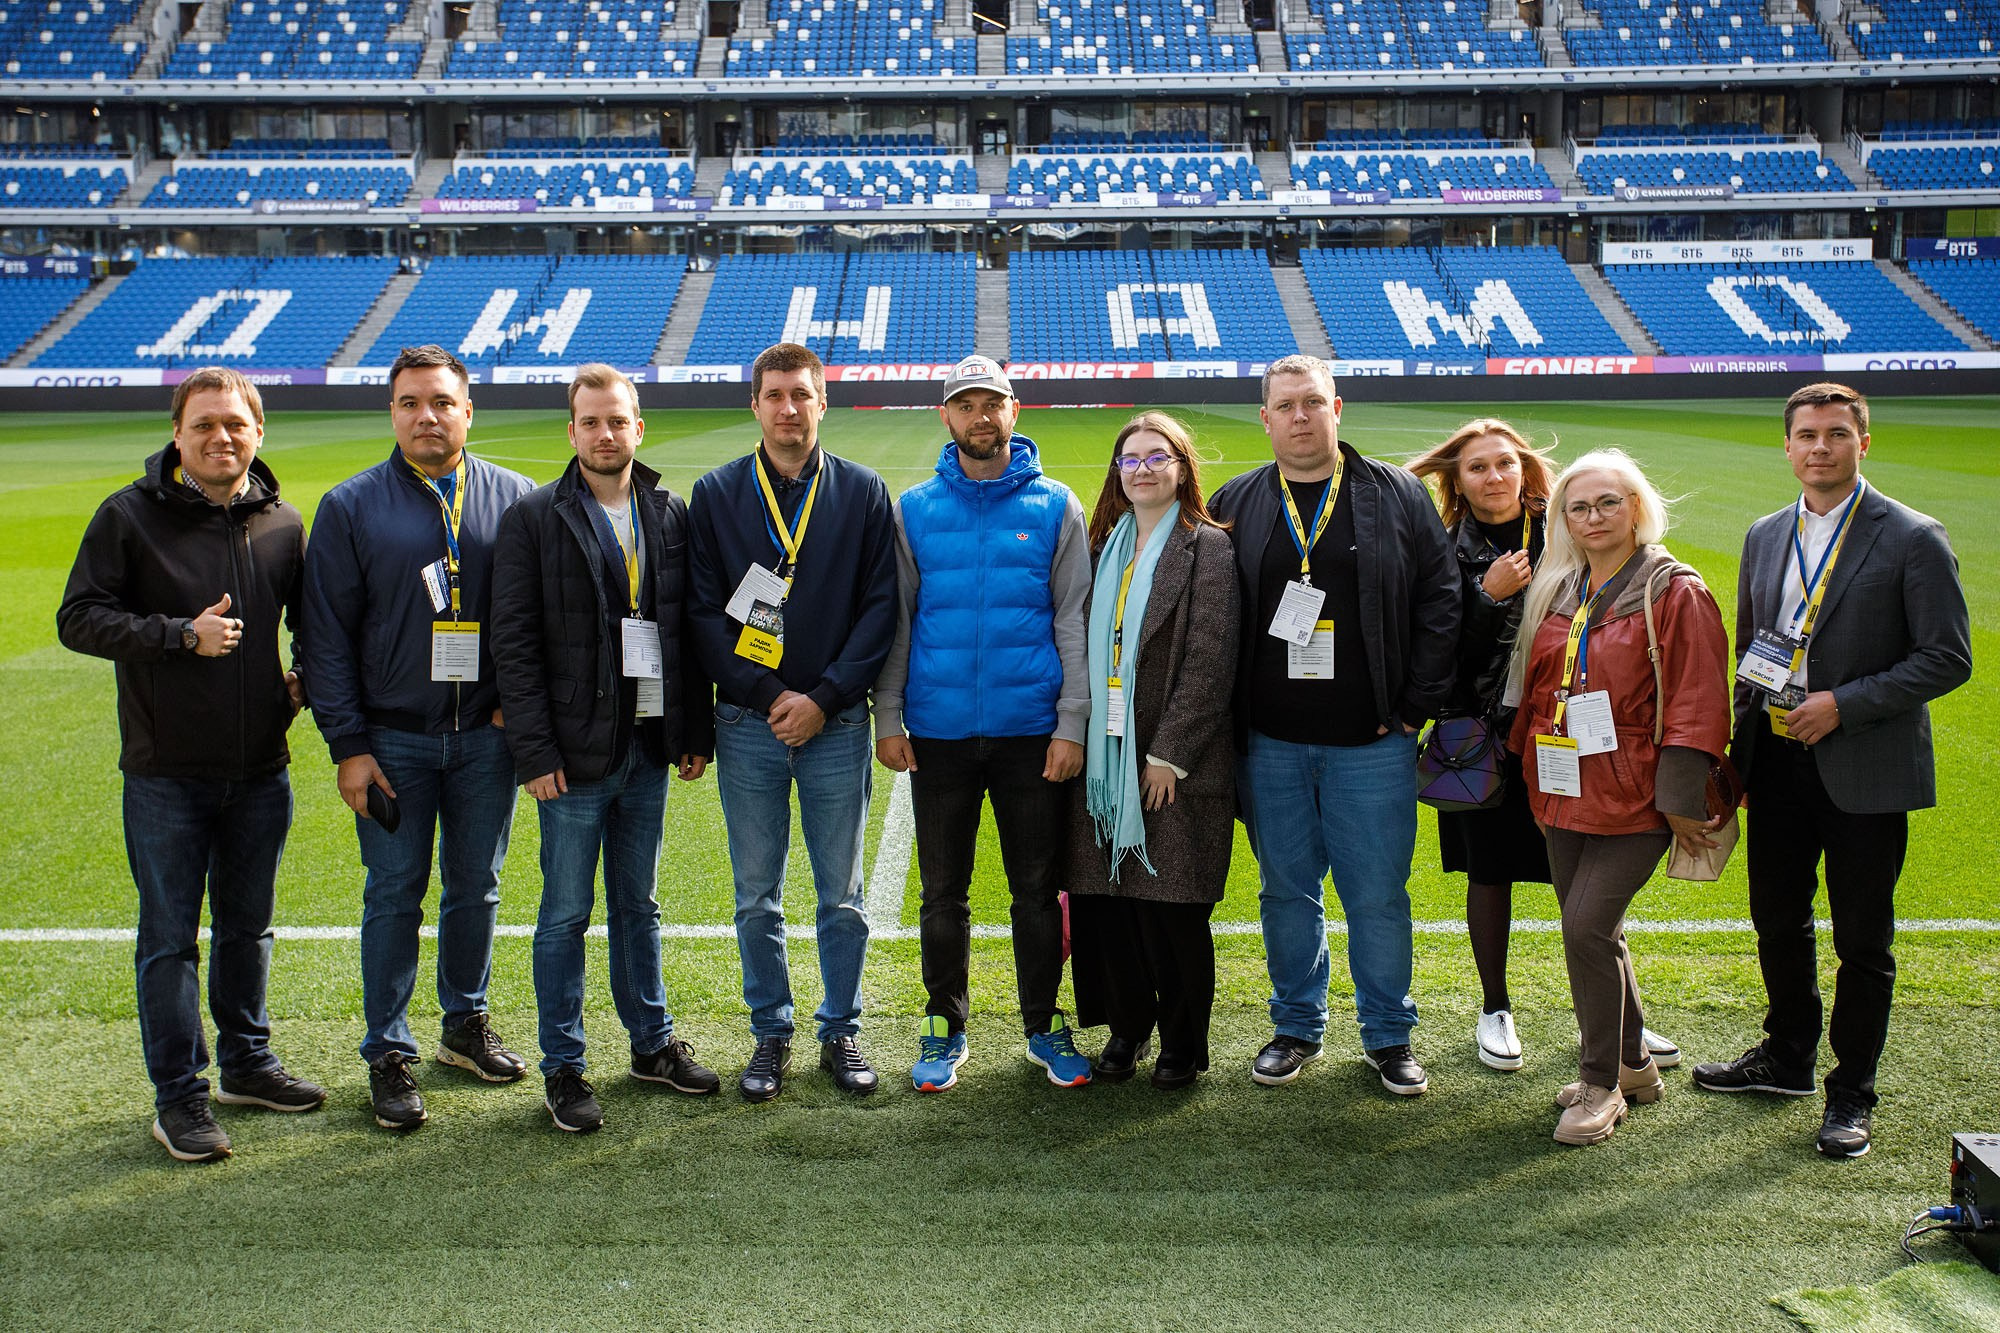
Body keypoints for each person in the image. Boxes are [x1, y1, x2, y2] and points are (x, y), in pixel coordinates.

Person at [1693, 383, 1970, 1159]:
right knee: (1777, 918)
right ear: (1786, 447)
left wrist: (1843, 704)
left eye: (1837, 433)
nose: (1820, 446)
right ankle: (1785, 1058)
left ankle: (1852, 1091)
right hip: (1777, 761)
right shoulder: (1764, 532)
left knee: (1862, 939)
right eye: (1807, 434)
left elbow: (1947, 657)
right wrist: (1734, 756)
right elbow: (1754, 649)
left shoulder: (1913, 536)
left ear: (1863, 443)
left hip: (1864, 765)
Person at [57, 367, 325, 1162]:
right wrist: (180, 634)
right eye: (204, 424)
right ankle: (180, 1095)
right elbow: (79, 617)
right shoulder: (128, 517)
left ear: (258, 433)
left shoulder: (281, 522)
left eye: (235, 424)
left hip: (258, 768)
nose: (221, 437)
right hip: (165, 772)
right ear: (178, 434)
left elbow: (309, 618)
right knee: (170, 938)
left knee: (248, 928)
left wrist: (304, 674)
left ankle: (245, 1063)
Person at [1209, 354, 1458, 1096]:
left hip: (1371, 742)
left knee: (1377, 893)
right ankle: (1296, 1025)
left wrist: (1414, 707)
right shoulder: (1240, 499)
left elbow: (1440, 603)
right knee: (1286, 892)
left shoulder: (1397, 493)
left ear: (1337, 408)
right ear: (1265, 417)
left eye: (1312, 402)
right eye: (1284, 405)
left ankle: (1388, 1034)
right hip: (1270, 743)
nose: (1299, 417)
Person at [301, 344, 535, 1131]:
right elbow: (324, 640)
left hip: (486, 743)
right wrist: (348, 746)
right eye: (410, 402)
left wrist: (518, 708)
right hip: (393, 741)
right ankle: (387, 1049)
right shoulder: (350, 506)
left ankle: (463, 1026)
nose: (426, 416)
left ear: (469, 411)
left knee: (478, 887)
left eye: (441, 401)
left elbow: (539, 620)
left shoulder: (516, 498)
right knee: (394, 894)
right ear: (391, 413)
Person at [1408, 421, 1684, 1074]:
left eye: (1505, 463)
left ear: (1525, 468)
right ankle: (1495, 1007)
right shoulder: (1440, 549)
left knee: (1586, 892)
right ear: (1458, 479)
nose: (1494, 477)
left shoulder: (1564, 530)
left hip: (1568, 736)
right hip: (1478, 738)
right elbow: (1434, 658)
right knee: (1490, 871)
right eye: (1478, 468)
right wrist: (1485, 597)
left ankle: (1622, 1025)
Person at [490, 364, 720, 1134]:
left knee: (639, 906)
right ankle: (563, 1065)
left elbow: (684, 631)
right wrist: (534, 751)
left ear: (638, 427)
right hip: (571, 755)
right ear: (572, 431)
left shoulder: (667, 510)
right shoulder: (534, 518)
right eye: (590, 422)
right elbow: (514, 646)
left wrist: (691, 732)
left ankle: (650, 1044)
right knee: (563, 913)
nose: (605, 434)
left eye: (617, 420)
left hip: (647, 745)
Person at [871, 354, 1094, 1093]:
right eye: (964, 404)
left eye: (990, 403)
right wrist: (889, 713)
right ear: (946, 417)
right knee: (943, 894)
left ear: (1013, 411)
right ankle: (945, 1023)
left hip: (1031, 732)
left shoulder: (1056, 505)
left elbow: (1074, 622)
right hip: (937, 732)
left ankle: (1041, 1023)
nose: (979, 416)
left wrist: (1071, 723)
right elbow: (899, 621)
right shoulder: (913, 509)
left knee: (1036, 889)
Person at [687, 342, 898, 1102]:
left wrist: (825, 698)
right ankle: (770, 1030)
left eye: (801, 395)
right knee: (756, 893)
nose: (787, 408)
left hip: (836, 728)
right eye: (774, 394)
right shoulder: (714, 495)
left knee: (840, 894)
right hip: (748, 725)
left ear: (821, 403)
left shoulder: (864, 493)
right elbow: (702, 614)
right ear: (756, 404)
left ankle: (840, 1027)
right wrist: (772, 693)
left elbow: (881, 609)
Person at [1507, 448, 1731, 1147]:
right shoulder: (1564, 587)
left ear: (1636, 506)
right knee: (1599, 932)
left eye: (1609, 501)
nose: (1594, 516)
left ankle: (1600, 1083)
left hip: (1638, 797)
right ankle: (1634, 1065)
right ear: (1563, 520)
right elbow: (1542, 686)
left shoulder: (1674, 588)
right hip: (1565, 786)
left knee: (1585, 928)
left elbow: (1698, 698)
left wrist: (1681, 799)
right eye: (1579, 506)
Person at [1065, 412, 1240, 1090]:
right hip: (1104, 756)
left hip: (1171, 759)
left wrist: (1170, 753)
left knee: (1173, 906)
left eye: (1156, 456)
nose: (1142, 468)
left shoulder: (1208, 548)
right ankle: (1127, 1026)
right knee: (1108, 903)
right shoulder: (1101, 541)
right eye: (1130, 458)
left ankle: (1181, 1042)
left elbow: (1209, 657)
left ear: (1181, 467)